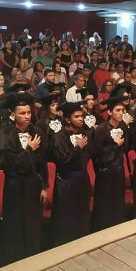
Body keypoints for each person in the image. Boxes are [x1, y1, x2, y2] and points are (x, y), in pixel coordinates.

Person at [0, 93, 48, 263]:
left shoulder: (37, 131)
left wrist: (44, 186)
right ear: (13, 114)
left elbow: (42, 162)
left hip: (33, 183)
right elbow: (11, 163)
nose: (27, 116)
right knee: (16, 224)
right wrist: (29, 149)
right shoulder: (5, 132)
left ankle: (33, 258)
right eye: (22, 113)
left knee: (33, 223)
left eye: (29, 112)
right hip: (14, 184)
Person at [51, 102, 92, 246]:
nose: (81, 119)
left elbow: (89, 154)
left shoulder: (85, 134)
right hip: (66, 182)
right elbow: (64, 160)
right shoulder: (59, 137)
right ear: (68, 119)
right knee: (67, 217)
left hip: (82, 179)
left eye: (82, 116)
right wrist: (77, 148)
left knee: (83, 213)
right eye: (77, 117)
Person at [92, 96, 130, 231]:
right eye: (117, 110)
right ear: (109, 112)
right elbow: (97, 153)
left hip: (119, 170)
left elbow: (126, 147)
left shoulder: (123, 126)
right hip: (106, 172)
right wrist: (115, 145)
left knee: (118, 200)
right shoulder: (101, 129)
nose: (121, 113)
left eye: (122, 110)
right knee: (106, 203)